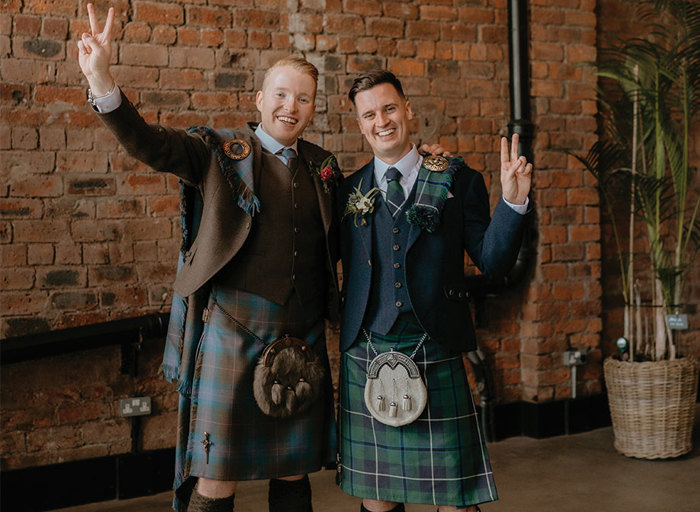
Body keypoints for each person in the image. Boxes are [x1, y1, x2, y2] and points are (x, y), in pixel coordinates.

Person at [77, 4, 342, 511]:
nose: (291, 106)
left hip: (302, 334)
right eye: (282, 94)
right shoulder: (218, 150)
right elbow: (150, 146)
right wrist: (103, 80)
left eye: (303, 99)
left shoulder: (322, 167)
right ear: (260, 99)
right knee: (215, 477)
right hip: (232, 330)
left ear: (312, 109)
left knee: (293, 472)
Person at [336, 70, 532, 512]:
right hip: (367, 351)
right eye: (369, 114)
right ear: (359, 124)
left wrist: (512, 202)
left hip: (435, 348)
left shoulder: (459, 181)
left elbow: (494, 262)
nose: (381, 120)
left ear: (408, 110)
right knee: (378, 498)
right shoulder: (348, 191)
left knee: (455, 498)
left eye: (389, 108)